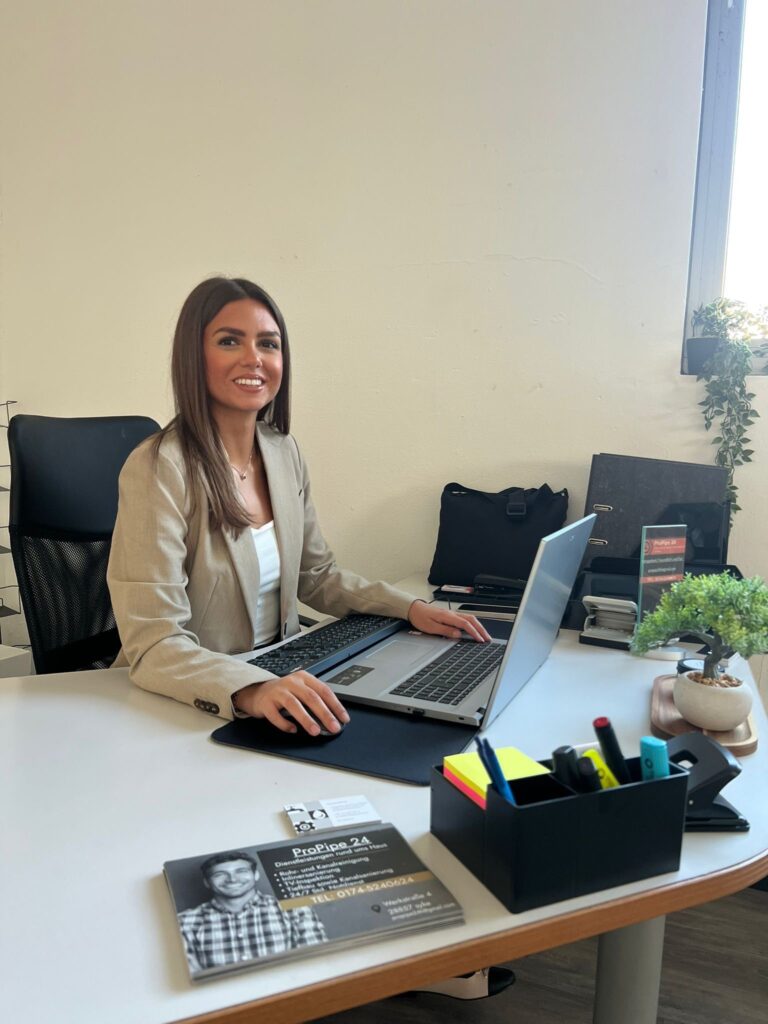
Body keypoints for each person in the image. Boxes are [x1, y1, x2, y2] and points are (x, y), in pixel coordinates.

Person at [107, 276, 490, 735]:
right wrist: (252, 688)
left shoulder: (282, 451)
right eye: (230, 341)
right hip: (193, 701)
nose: (254, 358)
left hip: (283, 676)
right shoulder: (158, 467)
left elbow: (317, 577)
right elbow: (154, 640)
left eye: (268, 344)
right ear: (193, 356)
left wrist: (408, 608)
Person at [177, 850, 326, 972]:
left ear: (255, 875)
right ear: (207, 883)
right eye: (219, 874)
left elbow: (315, 963)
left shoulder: (295, 908)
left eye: (241, 871)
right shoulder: (185, 921)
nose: (232, 879)